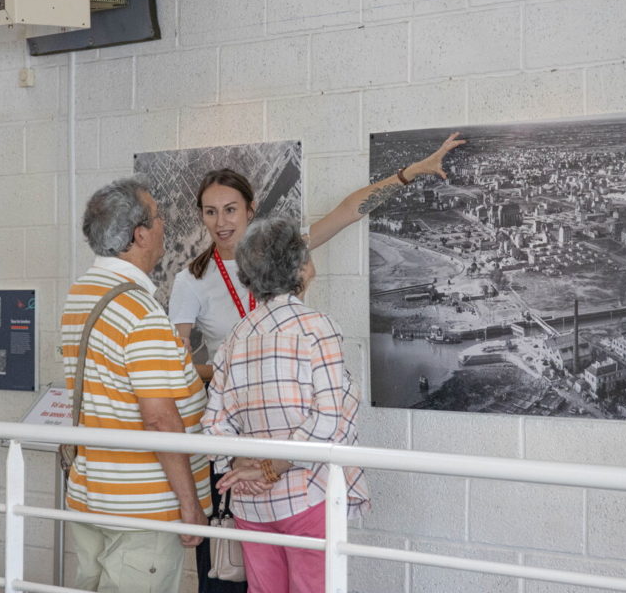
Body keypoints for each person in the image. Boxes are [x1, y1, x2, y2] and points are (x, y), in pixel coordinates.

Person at [169, 132, 464, 592]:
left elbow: (349, 211)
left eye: (230, 209)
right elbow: (178, 364)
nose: (220, 221)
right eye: (210, 211)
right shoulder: (192, 279)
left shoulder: (279, 254)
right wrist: (245, 373)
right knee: (235, 571)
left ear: (250, 208)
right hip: (242, 431)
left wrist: (410, 173)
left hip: (279, 428)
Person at [201, 216, 370, 593]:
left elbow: (213, 426)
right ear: (300, 266)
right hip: (306, 494)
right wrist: (269, 468)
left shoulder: (235, 337)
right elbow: (329, 419)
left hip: (250, 504)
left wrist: (241, 466)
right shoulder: (316, 327)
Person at [61, 176, 211, 593]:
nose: (165, 225)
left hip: (92, 495)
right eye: (160, 216)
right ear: (140, 235)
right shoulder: (140, 311)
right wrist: (189, 505)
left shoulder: (81, 295)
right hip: (143, 508)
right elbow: (160, 419)